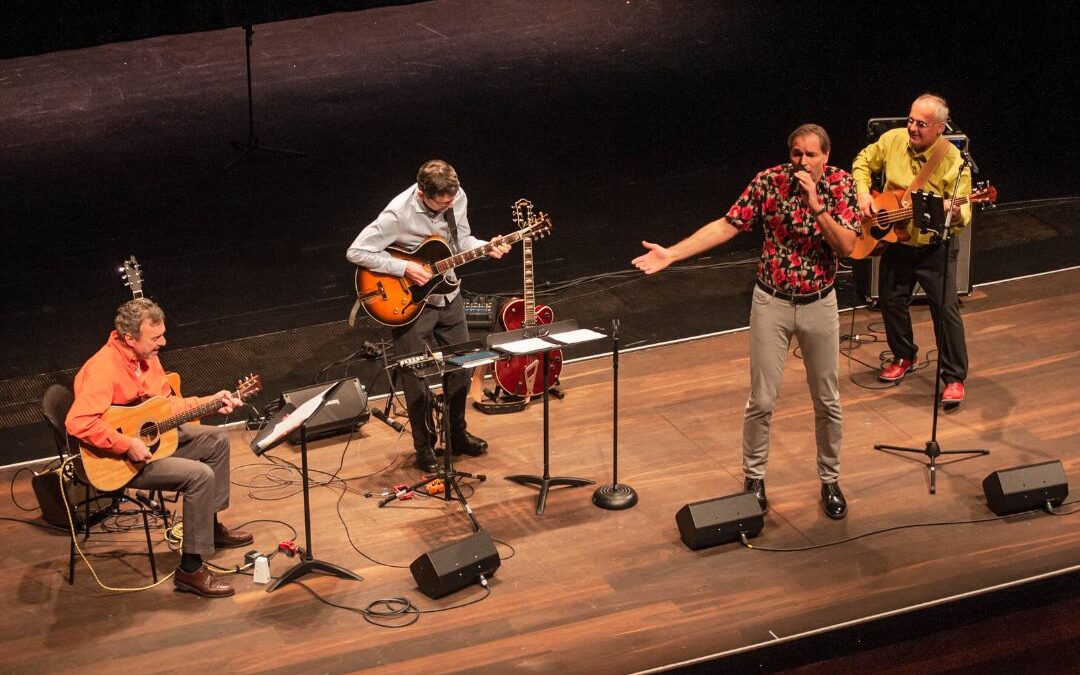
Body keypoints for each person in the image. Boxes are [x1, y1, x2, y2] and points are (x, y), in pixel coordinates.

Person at [632, 124, 859, 519]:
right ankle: (753, 480)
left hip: (819, 303)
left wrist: (815, 204)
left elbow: (848, 246)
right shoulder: (769, 182)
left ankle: (830, 480)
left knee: (827, 400)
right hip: (771, 302)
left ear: (826, 155)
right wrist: (672, 254)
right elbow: (727, 224)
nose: (801, 163)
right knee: (762, 400)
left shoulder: (840, 185)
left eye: (809, 155)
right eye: (795, 154)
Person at [66, 298, 253, 598]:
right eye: (155, 337)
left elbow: (167, 407)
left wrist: (211, 402)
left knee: (216, 440)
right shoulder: (102, 368)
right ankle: (190, 570)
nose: (163, 343)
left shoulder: (148, 358)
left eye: (162, 334)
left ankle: (209, 528)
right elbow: (78, 423)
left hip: (148, 445)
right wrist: (126, 444)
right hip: (116, 461)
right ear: (129, 338)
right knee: (200, 475)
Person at [347, 159, 510, 472]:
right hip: (410, 302)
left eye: (451, 198)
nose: (449, 203)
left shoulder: (456, 196)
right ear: (422, 194)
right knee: (416, 376)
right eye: (441, 201)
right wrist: (404, 267)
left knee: (463, 368)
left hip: (449, 295)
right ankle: (425, 447)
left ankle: (457, 434)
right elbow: (356, 251)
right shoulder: (398, 213)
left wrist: (486, 247)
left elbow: (461, 242)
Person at [852, 93, 971, 405]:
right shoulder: (892, 140)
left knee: (945, 312)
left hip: (934, 247)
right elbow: (863, 161)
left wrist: (955, 213)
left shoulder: (953, 162)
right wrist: (864, 193)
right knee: (890, 301)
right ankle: (904, 357)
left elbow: (965, 208)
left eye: (922, 124)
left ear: (940, 128)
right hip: (899, 243)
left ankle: (954, 377)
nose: (913, 128)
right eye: (910, 120)